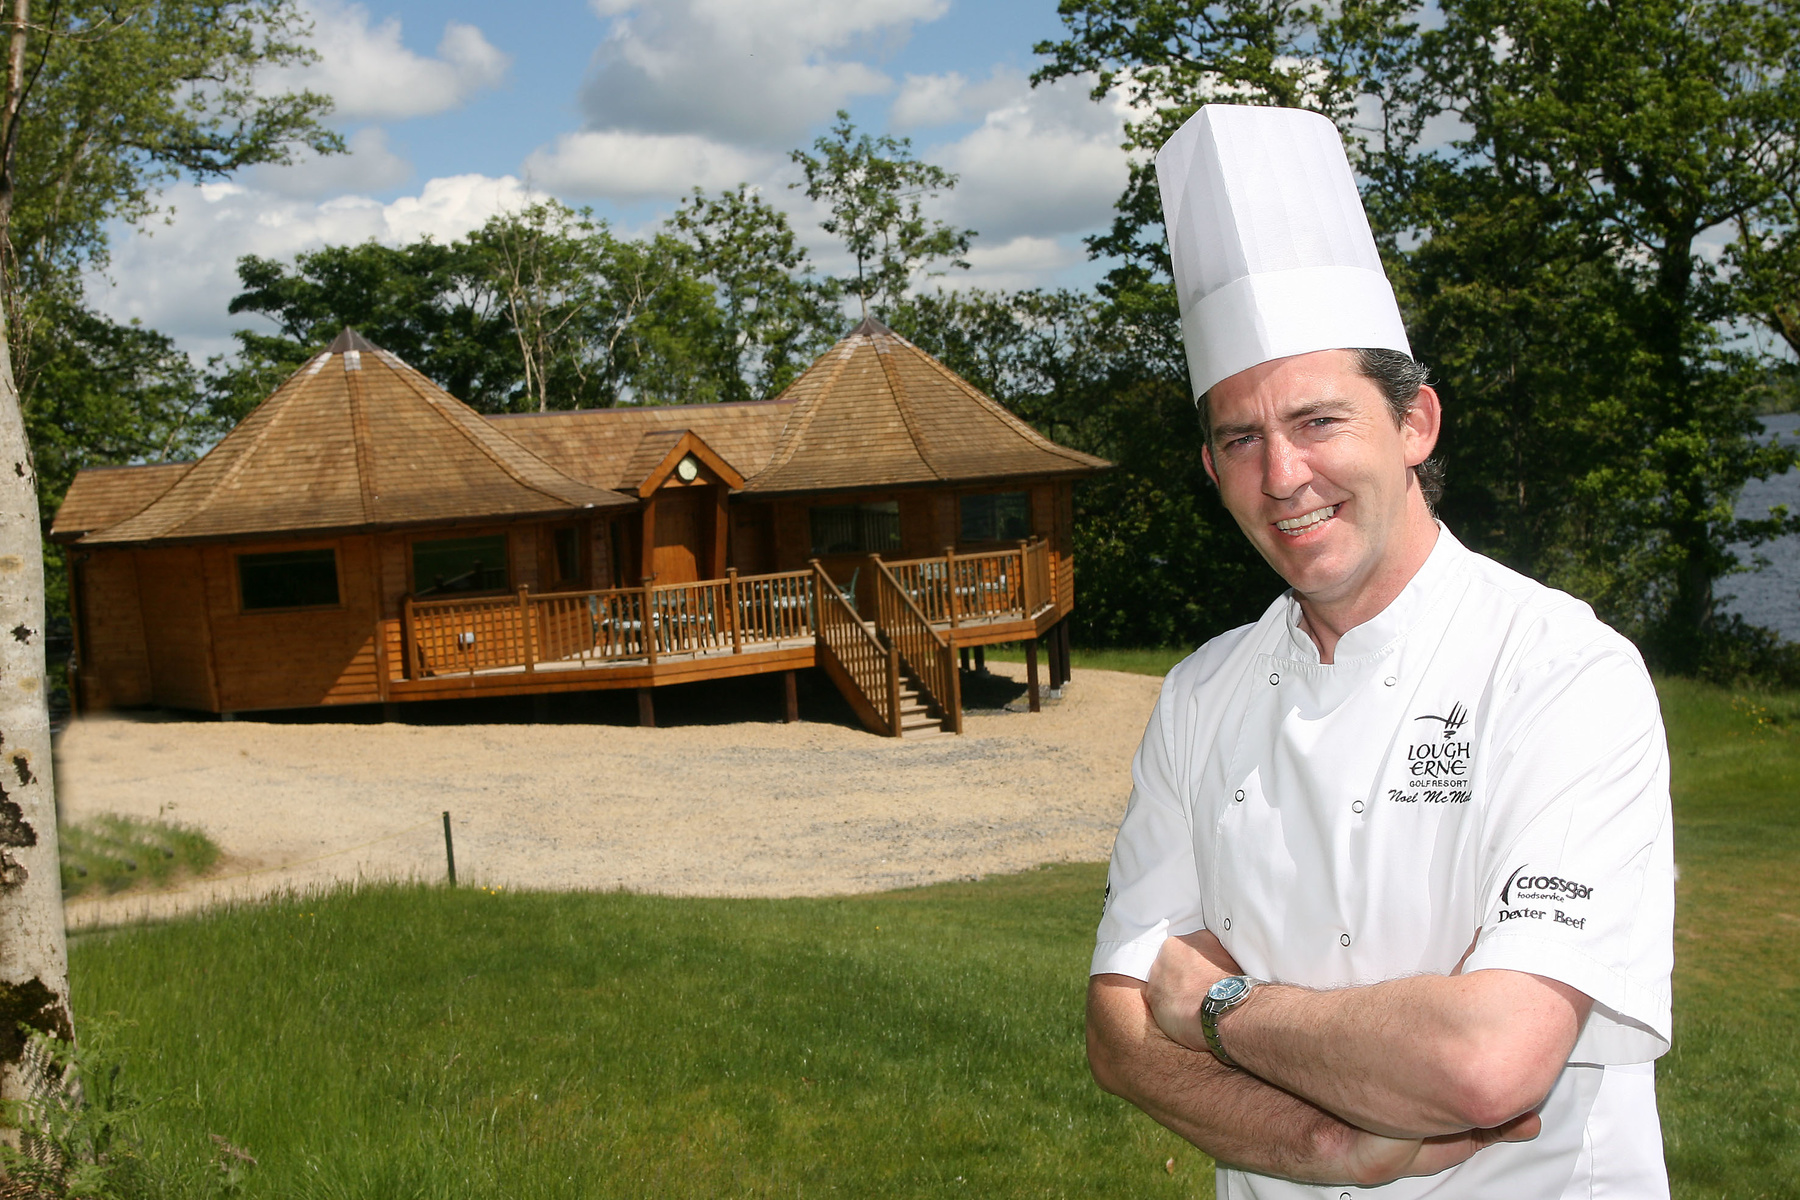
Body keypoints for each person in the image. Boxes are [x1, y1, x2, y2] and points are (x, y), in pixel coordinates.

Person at [1088, 104, 1675, 1197]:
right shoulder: (1201, 695)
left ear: (1415, 425)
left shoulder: (1560, 671)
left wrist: (1213, 1004)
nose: (1282, 477)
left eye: (1318, 421)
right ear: (1210, 467)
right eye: (1240, 438)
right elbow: (1118, 1037)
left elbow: (1487, 1061)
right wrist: (1327, 1147)